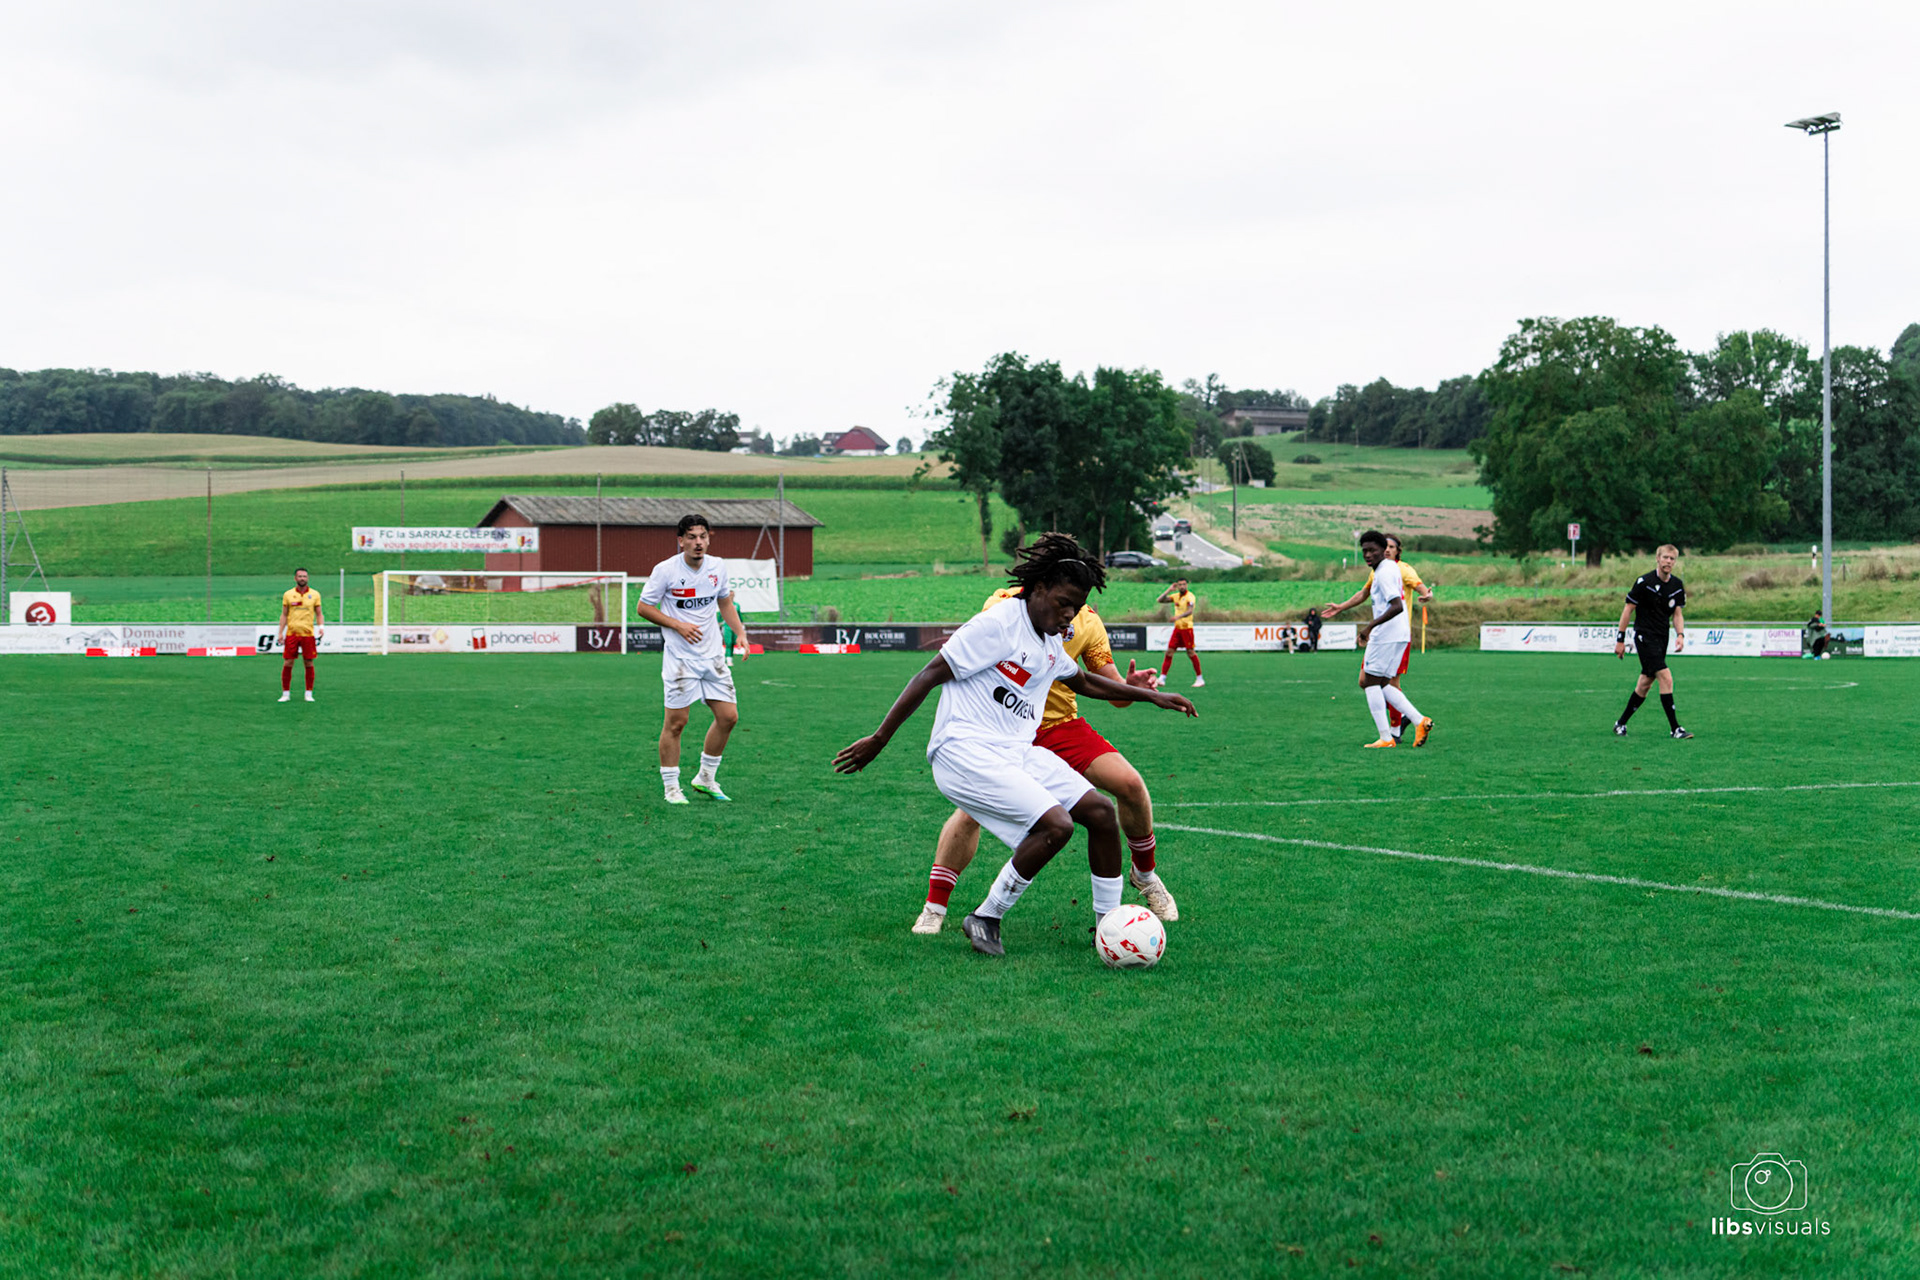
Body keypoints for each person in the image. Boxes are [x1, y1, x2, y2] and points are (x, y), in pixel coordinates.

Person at [833, 534, 1197, 957]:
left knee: (1099, 813)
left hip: (1014, 752)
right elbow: (930, 673)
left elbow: (1084, 682)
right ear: (1038, 588)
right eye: (1063, 603)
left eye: (1076, 608)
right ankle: (985, 916)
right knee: (1056, 825)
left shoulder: (1049, 639)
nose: (1069, 615)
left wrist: (1152, 696)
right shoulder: (999, 622)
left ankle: (1109, 928)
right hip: (963, 750)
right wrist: (880, 739)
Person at [912, 584, 1178, 937]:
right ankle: (935, 907)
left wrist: (1135, 688)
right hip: (1002, 729)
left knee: (1127, 786)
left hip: (1058, 726)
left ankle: (1143, 879)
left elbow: (1104, 686)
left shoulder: (1088, 621)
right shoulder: (1006, 604)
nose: (1071, 609)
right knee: (970, 812)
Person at [636, 514, 752, 803]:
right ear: (681, 541)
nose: (698, 542)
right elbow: (643, 607)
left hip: (712, 658)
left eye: (702, 536)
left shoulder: (718, 566)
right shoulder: (665, 571)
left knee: (728, 717)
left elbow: (724, 601)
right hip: (680, 660)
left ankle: (705, 778)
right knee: (676, 723)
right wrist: (677, 625)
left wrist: (740, 633)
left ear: (708, 539)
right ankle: (672, 788)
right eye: (691, 537)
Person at [1321, 533, 1433, 740]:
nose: (1367, 554)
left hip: (1387, 634)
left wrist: (1369, 627)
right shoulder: (1386, 569)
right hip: (1399, 634)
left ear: (1387, 550)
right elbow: (1364, 594)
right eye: (1364, 550)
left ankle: (1387, 737)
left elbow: (1397, 605)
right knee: (1381, 682)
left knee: (1369, 682)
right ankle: (1418, 721)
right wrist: (1341, 607)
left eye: (1373, 550)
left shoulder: (1387, 572)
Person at [1613, 544, 1690, 738]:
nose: (1668, 562)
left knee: (1645, 684)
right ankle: (1675, 728)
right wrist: (1620, 640)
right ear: (1657, 558)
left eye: (1672, 559)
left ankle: (1620, 723)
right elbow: (1627, 610)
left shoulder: (1677, 585)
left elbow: (1677, 614)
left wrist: (1680, 635)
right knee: (1666, 677)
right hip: (1644, 636)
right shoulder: (1643, 582)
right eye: (1665, 557)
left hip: (1661, 637)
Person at [275, 567, 324, 703]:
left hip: (308, 634)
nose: (302, 578)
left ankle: (308, 693)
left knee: (308, 663)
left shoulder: (315, 594)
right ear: (295, 578)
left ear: (307, 578)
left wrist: (321, 627)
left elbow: (319, 613)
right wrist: (280, 632)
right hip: (292, 634)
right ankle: (285, 693)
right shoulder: (288, 594)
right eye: (300, 576)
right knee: (288, 662)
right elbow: (284, 614)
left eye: (304, 576)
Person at [1156, 578, 1203, 687]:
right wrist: (1169, 590)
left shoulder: (1190, 596)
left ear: (1186, 585)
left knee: (1190, 653)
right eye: (1180, 585)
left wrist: (1177, 617)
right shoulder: (1176, 596)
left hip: (1187, 628)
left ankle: (1200, 679)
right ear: (1177, 586)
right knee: (1169, 652)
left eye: (1184, 584)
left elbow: (1190, 611)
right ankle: (1162, 678)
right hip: (1177, 629)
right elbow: (1160, 600)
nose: (1182, 586)